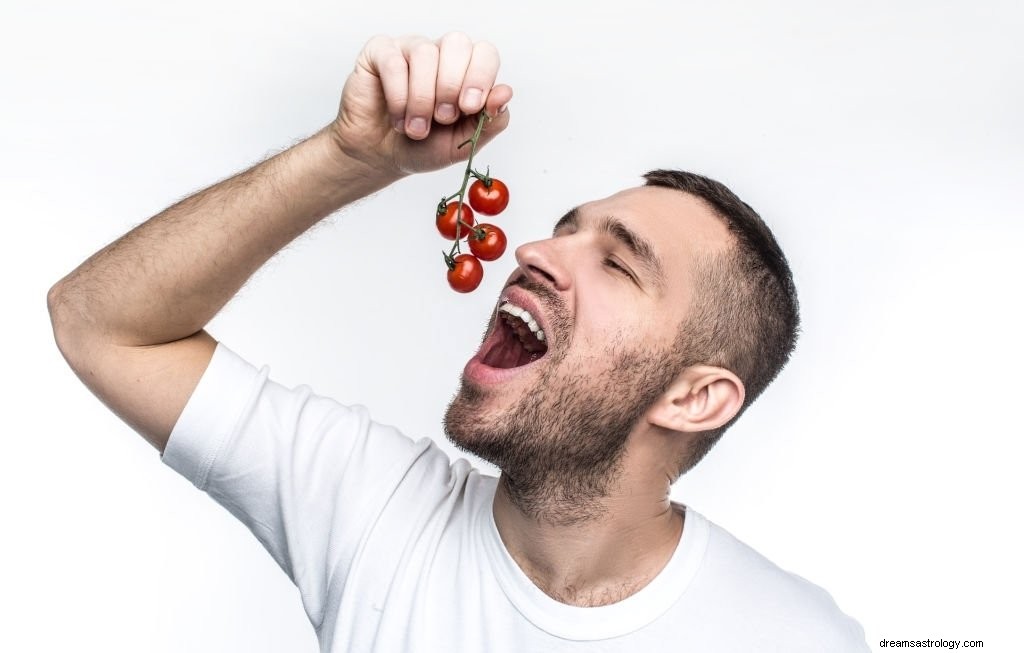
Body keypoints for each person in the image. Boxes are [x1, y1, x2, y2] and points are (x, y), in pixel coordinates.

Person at [48, 32, 870, 651]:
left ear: (695, 395)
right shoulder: (374, 511)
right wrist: (350, 157)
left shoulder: (797, 636)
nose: (534, 252)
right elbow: (100, 323)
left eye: (618, 264)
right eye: (562, 230)